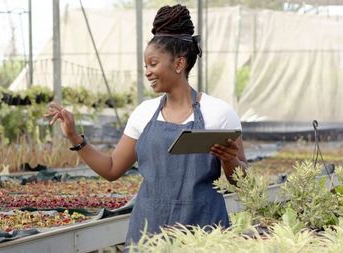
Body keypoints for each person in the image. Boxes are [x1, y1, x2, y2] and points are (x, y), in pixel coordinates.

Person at [45, 4, 247, 246]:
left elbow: (242, 181)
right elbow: (111, 169)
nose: (148, 72)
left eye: (153, 63)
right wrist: (74, 137)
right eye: (146, 66)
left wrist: (230, 160)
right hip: (149, 234)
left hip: (204, 235)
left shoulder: (219, 113)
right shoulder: (144, 113)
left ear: (179, 64)